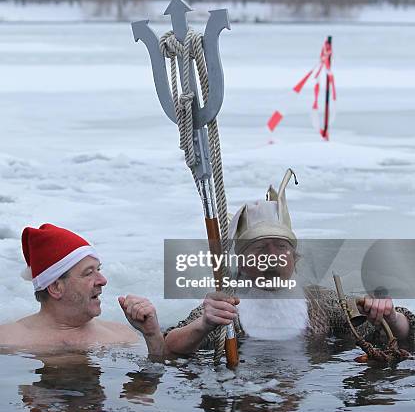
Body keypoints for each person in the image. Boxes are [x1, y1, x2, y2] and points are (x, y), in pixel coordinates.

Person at [164, 169, 415, 354]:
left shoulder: (320, 302)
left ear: (294, 258)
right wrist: (204, 325)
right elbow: (170, 346)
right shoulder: (227, 308)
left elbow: (397, 332)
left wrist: (389, 315)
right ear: (240, 263)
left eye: (281, 247)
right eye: (261, 248)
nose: (272, 255)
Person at [0, 223, 164, 356]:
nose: (103, 280)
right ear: (56, 287)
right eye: (89, 273)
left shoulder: (122, 337)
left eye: (98, 270)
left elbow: (156, 376)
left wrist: (152, 336)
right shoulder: (7, 341)